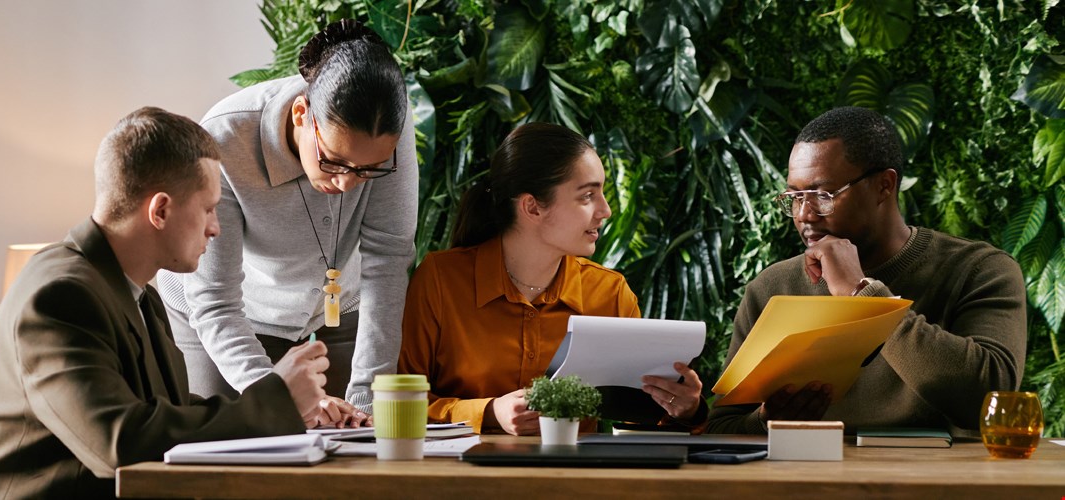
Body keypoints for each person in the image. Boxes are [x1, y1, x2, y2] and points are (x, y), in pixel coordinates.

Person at [0, 107, 332, 498]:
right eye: (208, 208)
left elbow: (165, 409)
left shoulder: (141, 295)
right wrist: (273, 402)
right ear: (161, 210)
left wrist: (297, 415)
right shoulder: (59, 296)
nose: (215, 228)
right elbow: (119, 441)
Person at [705, 106, 1027, 435]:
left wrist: (863, 295)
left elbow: (991, 402)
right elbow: (723, 427)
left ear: (884, 186)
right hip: (809, 483)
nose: (805, 214)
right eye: (795, 197)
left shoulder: (979, 270)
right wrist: (766, 420)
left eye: (822, 195)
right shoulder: (773, 287)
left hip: (937, 482)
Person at [157, 19, 417, 422]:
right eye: (333, 160)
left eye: (369, 169)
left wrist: (367, 404)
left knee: (348, 445)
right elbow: (216, 302)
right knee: (235, 456)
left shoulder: (387, 131)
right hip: (228, 312)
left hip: (335, 306)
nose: (348, 182)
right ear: (301, 114)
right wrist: (281, 400)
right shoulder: (223, 140)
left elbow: (388, 259)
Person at [398, 123, 706, 435]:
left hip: (576, 477)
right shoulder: (440, 280)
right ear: (532, 207)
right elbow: (397, 404)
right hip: (463, 477)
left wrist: (684, 408)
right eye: (587, 195)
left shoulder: (611, 294)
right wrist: (489, 411)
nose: (606, 210)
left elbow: (640, 419)